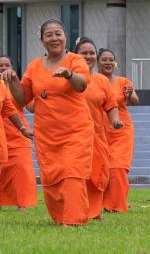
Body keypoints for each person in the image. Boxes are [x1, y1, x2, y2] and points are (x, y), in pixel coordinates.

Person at [1, 19, 94, 225]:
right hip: (46, 134)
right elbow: (21, 99)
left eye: (58, 33)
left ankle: (75, 221)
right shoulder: (34, 66)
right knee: (51, 178)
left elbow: (81, 85)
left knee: (72, 173)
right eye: (49, 35)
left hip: (76, 130)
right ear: (42, 40)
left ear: (65, 37)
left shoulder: (75, 60)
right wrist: (13, 81)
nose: (54, 38)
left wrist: (69, 75)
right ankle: (60, 219)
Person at [75, 38, 124, 219]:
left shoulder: (101, 80)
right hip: (73, 135)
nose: (88, 56)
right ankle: (77, 210)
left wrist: (115, 121)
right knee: (77, 173)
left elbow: (111, 105)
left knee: (97, 174)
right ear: (74, 55)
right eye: (84, 53)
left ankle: (94, 211)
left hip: (97, 135)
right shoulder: (68, 77)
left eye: (91, 53)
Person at [97, 48, 138, 212]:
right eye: (104, 60)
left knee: (118, 167)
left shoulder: (124, 81)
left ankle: (117, 205)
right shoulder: (93, 81)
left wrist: (130, 95)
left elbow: (135, 101)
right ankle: (101, 203)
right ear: (98, 63)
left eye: (110, 60)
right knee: (103, 167)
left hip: (122, 130)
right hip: (100, 129)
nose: (108, 62)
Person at [0, 57, 38, 210]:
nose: (3, 68)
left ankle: (22, 206)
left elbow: (30, 106)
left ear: (12, 67)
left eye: (7, 65)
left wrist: (43, 97)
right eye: (0, 65)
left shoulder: (18, 86)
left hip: (19, 135)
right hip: (2, 136)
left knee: (22, 171)